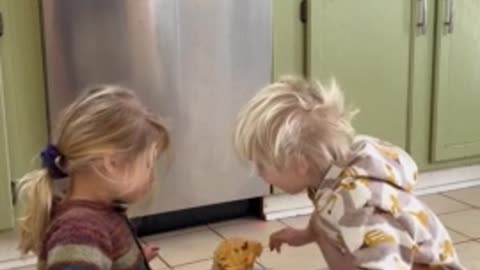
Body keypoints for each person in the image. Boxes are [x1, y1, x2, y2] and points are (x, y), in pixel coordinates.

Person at [233, 76, 465, 270]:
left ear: (299, 163)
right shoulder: (329, 178)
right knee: (328, 232)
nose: (257, 173)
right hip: (387, 254)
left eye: (262, 165)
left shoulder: (362, 204)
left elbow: (386, 261)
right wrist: (306, 235)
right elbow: (327, 213)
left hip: (408, 263)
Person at [16, 85, 169, 270]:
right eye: (148, 165)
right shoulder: (80, 232)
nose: (152, 177)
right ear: (111, 163)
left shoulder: (93, 218)